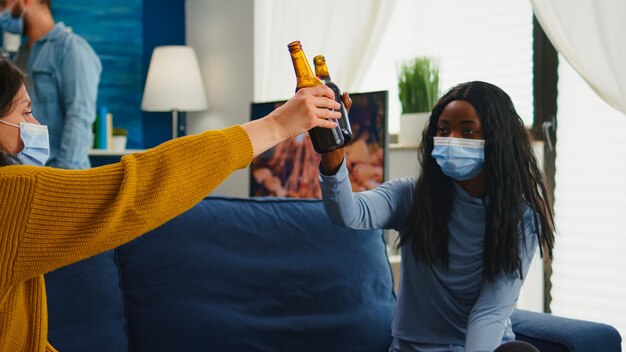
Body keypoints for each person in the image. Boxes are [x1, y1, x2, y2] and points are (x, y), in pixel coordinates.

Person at [0, 57, 341, 352]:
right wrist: (277, 124)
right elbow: (140, 187)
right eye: (25, 112)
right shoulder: (11, 195)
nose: (35, 126)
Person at [319, 81, 554, 352]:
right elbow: (347, 214)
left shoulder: (523, 217)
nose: (452, 139)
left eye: (468, 131)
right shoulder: (409, 196)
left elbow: (490, 312)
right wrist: (331, 152)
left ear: (497, 139)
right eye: (443, 130)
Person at [0, 0, 102, 169]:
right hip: (30, 176)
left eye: (4, 5)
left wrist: (61, 180)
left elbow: (79, 119)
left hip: (63, 178)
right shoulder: (20, 57)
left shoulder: (72, 50)